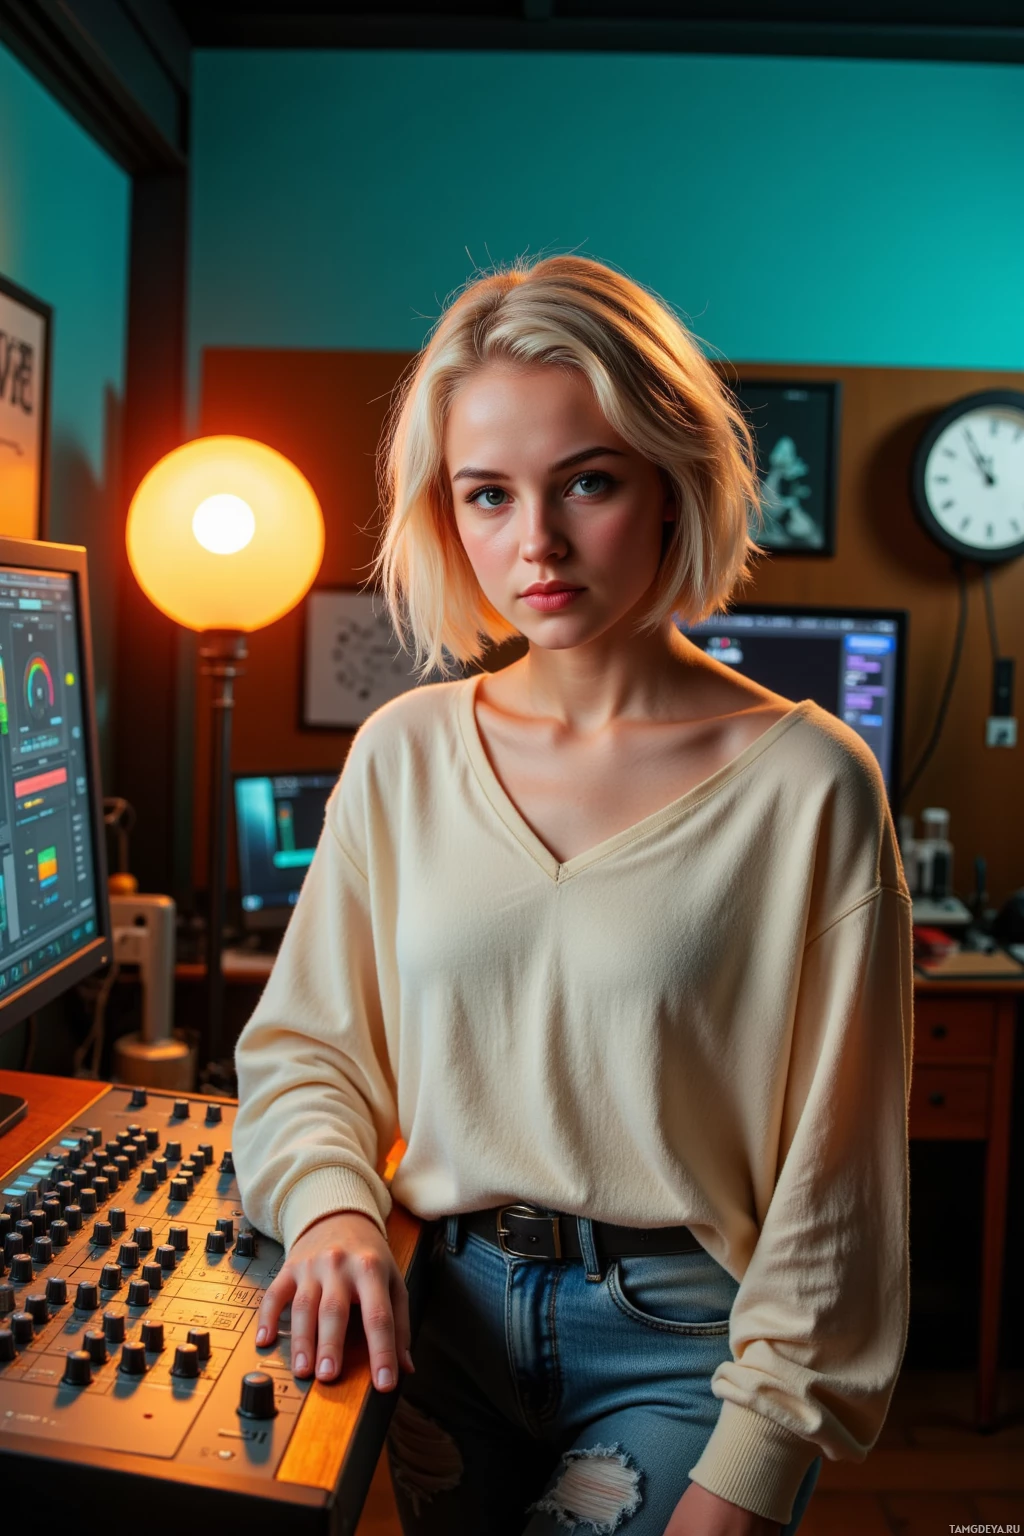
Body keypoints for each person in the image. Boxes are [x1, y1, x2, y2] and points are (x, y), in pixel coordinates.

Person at [233, 254, 914, 1536]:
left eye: (585, 481)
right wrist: (329, 1206)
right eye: (487, 495)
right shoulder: (404, 751)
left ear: (671, 483)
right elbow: (307, 1055)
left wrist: (759, 1462)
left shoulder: (810, 783)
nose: (532, 544)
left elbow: (843, 1190)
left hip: (684, 1345)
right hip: (441, 1311)